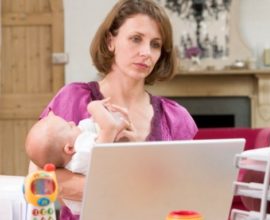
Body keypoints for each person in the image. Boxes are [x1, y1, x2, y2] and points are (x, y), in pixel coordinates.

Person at [28, 0, 198, 219]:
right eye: (136, 39)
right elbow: (37, 182)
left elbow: (188, 194)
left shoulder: (175, 118)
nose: (146, 52)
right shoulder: (73, 99)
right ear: (110, 41)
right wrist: (139, 185)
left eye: (155, 44)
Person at [26, 99, 128, 214]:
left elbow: (107, 139)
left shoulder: (73, 161)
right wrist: (94, 107)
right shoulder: (82, 151)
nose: (72, 123)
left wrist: (121, 125)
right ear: (69, 148)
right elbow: (109, 128)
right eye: (70, 127)